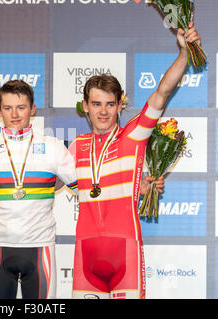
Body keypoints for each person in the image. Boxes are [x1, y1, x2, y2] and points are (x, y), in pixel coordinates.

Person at [70, 23, 201, 299]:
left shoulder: (134, 135)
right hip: (86, 257)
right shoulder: (75, 147)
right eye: (96, 104)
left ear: (120, 105)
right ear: (85, 106)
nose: (103, 111)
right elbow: (45, 184)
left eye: (109, 104)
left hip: (125, 256)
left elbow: (162, 92)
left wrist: (184, 53)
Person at [0, 80, 78, 299]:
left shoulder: (53, 147)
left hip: (40, 247)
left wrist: (134, 187)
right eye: (7, 108)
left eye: (21, 107)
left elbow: (87, 189)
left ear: (32, 109)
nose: (14, 114)